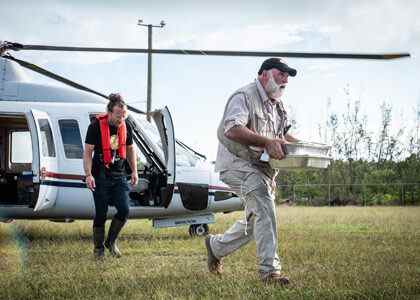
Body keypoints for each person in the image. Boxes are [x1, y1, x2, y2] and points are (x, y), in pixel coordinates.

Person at [205, 58, 300, 284]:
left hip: (262, 169)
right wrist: (267, 142)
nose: (285, 79)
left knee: (256, 216)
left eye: (288, 76)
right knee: (265, 208)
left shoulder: (279, 106)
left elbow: (282, 136)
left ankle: (215, 247)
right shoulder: (244, 96)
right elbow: (232, 129)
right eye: (281, 74)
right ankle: (270, 272)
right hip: (237, 164)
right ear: (264, 74)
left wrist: (308, 148)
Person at [83, 93, 138, 259]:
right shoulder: (95, 126)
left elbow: (130, 149)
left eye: (123, 115)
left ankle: (111, 242)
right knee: (101, 213)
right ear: (109, 112)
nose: (121, 119)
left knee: (124, 209)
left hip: (119, 175)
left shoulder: (125, 126)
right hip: (100, 175)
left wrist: (134, 170)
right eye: (118, 115)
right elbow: (87, 152)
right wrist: (88, 175)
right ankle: (98, 249)